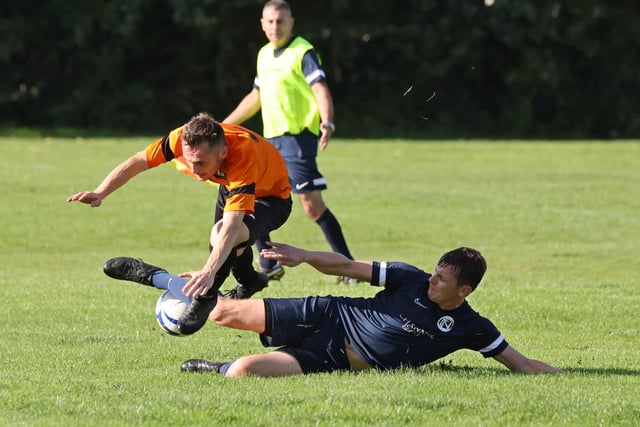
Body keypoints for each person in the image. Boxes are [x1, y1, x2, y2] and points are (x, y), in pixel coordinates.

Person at [102, 242, 560, 377]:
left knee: (242, 372)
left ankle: (212, 367)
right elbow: (347, 265)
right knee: (219, 313)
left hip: (333, 359)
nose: (431, 279)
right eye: (434, 271)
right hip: (329, 314)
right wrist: (304, 255)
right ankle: (154, 276)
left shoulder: (471, 328)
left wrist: (561, 376)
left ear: (463, 291)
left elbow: (520, 364)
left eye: (441, 279)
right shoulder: (407, 276)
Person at [67, 113, 292, 335]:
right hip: (230, 186)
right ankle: (250, 281)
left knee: (224, 236)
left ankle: (205, 298)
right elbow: (138, 161)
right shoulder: (181, 137)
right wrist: (100, 192)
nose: (193, 170)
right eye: (188, 160)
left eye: (200, 162)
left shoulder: (242, 155)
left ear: (222, 152)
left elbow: (232, 226)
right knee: (227, 245)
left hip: (272, 200)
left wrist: (207, 272)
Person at [223, 0, 357, 284]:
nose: (275, 27)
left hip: (297, 140)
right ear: (262, 24)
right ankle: (268, 264)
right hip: (270, 142)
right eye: (270, 21)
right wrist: (225, 125)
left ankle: (349, 268)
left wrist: (327, 121)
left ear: (291, 22)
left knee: (312, 207)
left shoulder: (302, 51)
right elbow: (256, 96)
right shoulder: (263, 55)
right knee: (253, 197)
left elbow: (320, 88)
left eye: (280, 21)